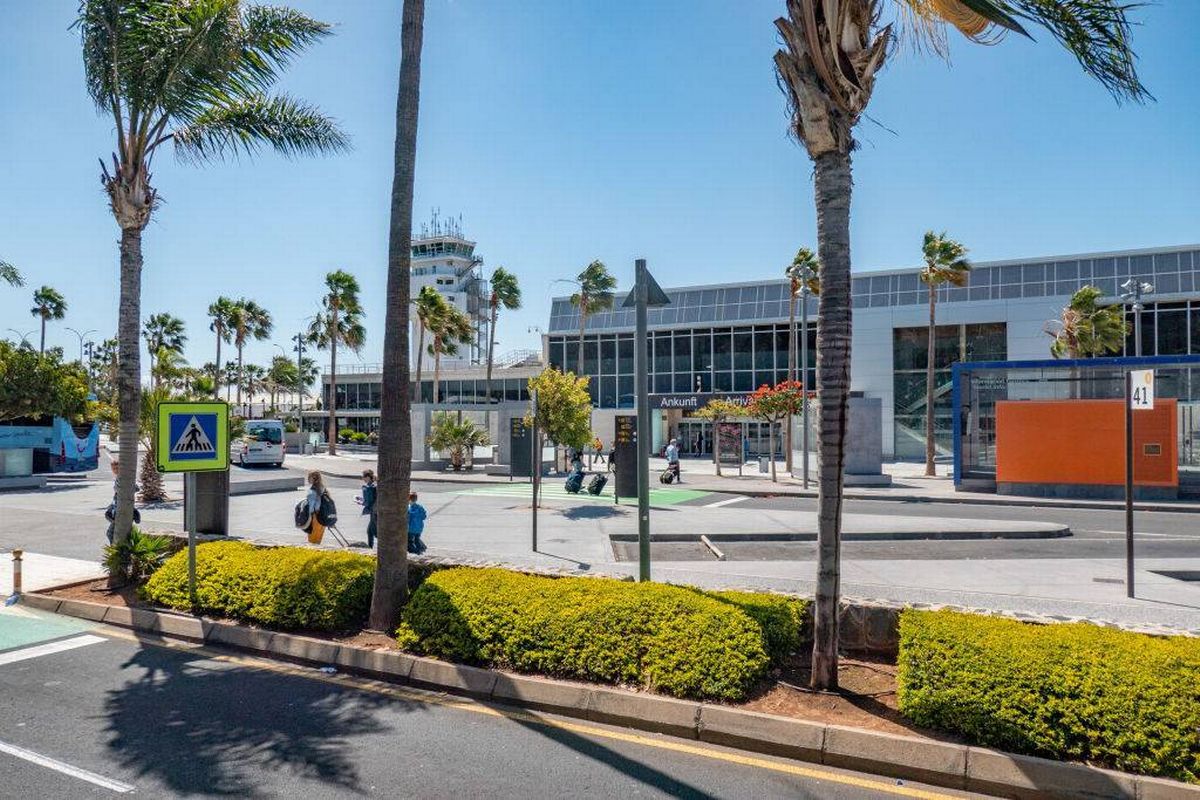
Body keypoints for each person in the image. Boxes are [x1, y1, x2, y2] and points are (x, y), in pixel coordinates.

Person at [303, 470, 328, 545]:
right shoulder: (323, 488)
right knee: (318, 540)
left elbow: (311, 507)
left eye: (309, 477)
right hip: (323, 517)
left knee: (312, 540)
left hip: (315, 517)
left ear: (313, 478)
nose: (308, 479)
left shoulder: (312, 491)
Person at [359, 469, 378, 549]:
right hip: (375, 511)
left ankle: (371, 548)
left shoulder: (369, 487)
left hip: (374, 512)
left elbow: (369, 501)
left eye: (363, 477)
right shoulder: (374, 485)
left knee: (374, 532)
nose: (363, 479)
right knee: (370, 531)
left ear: (368, 477)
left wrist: (361, 502)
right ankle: (370, 548)